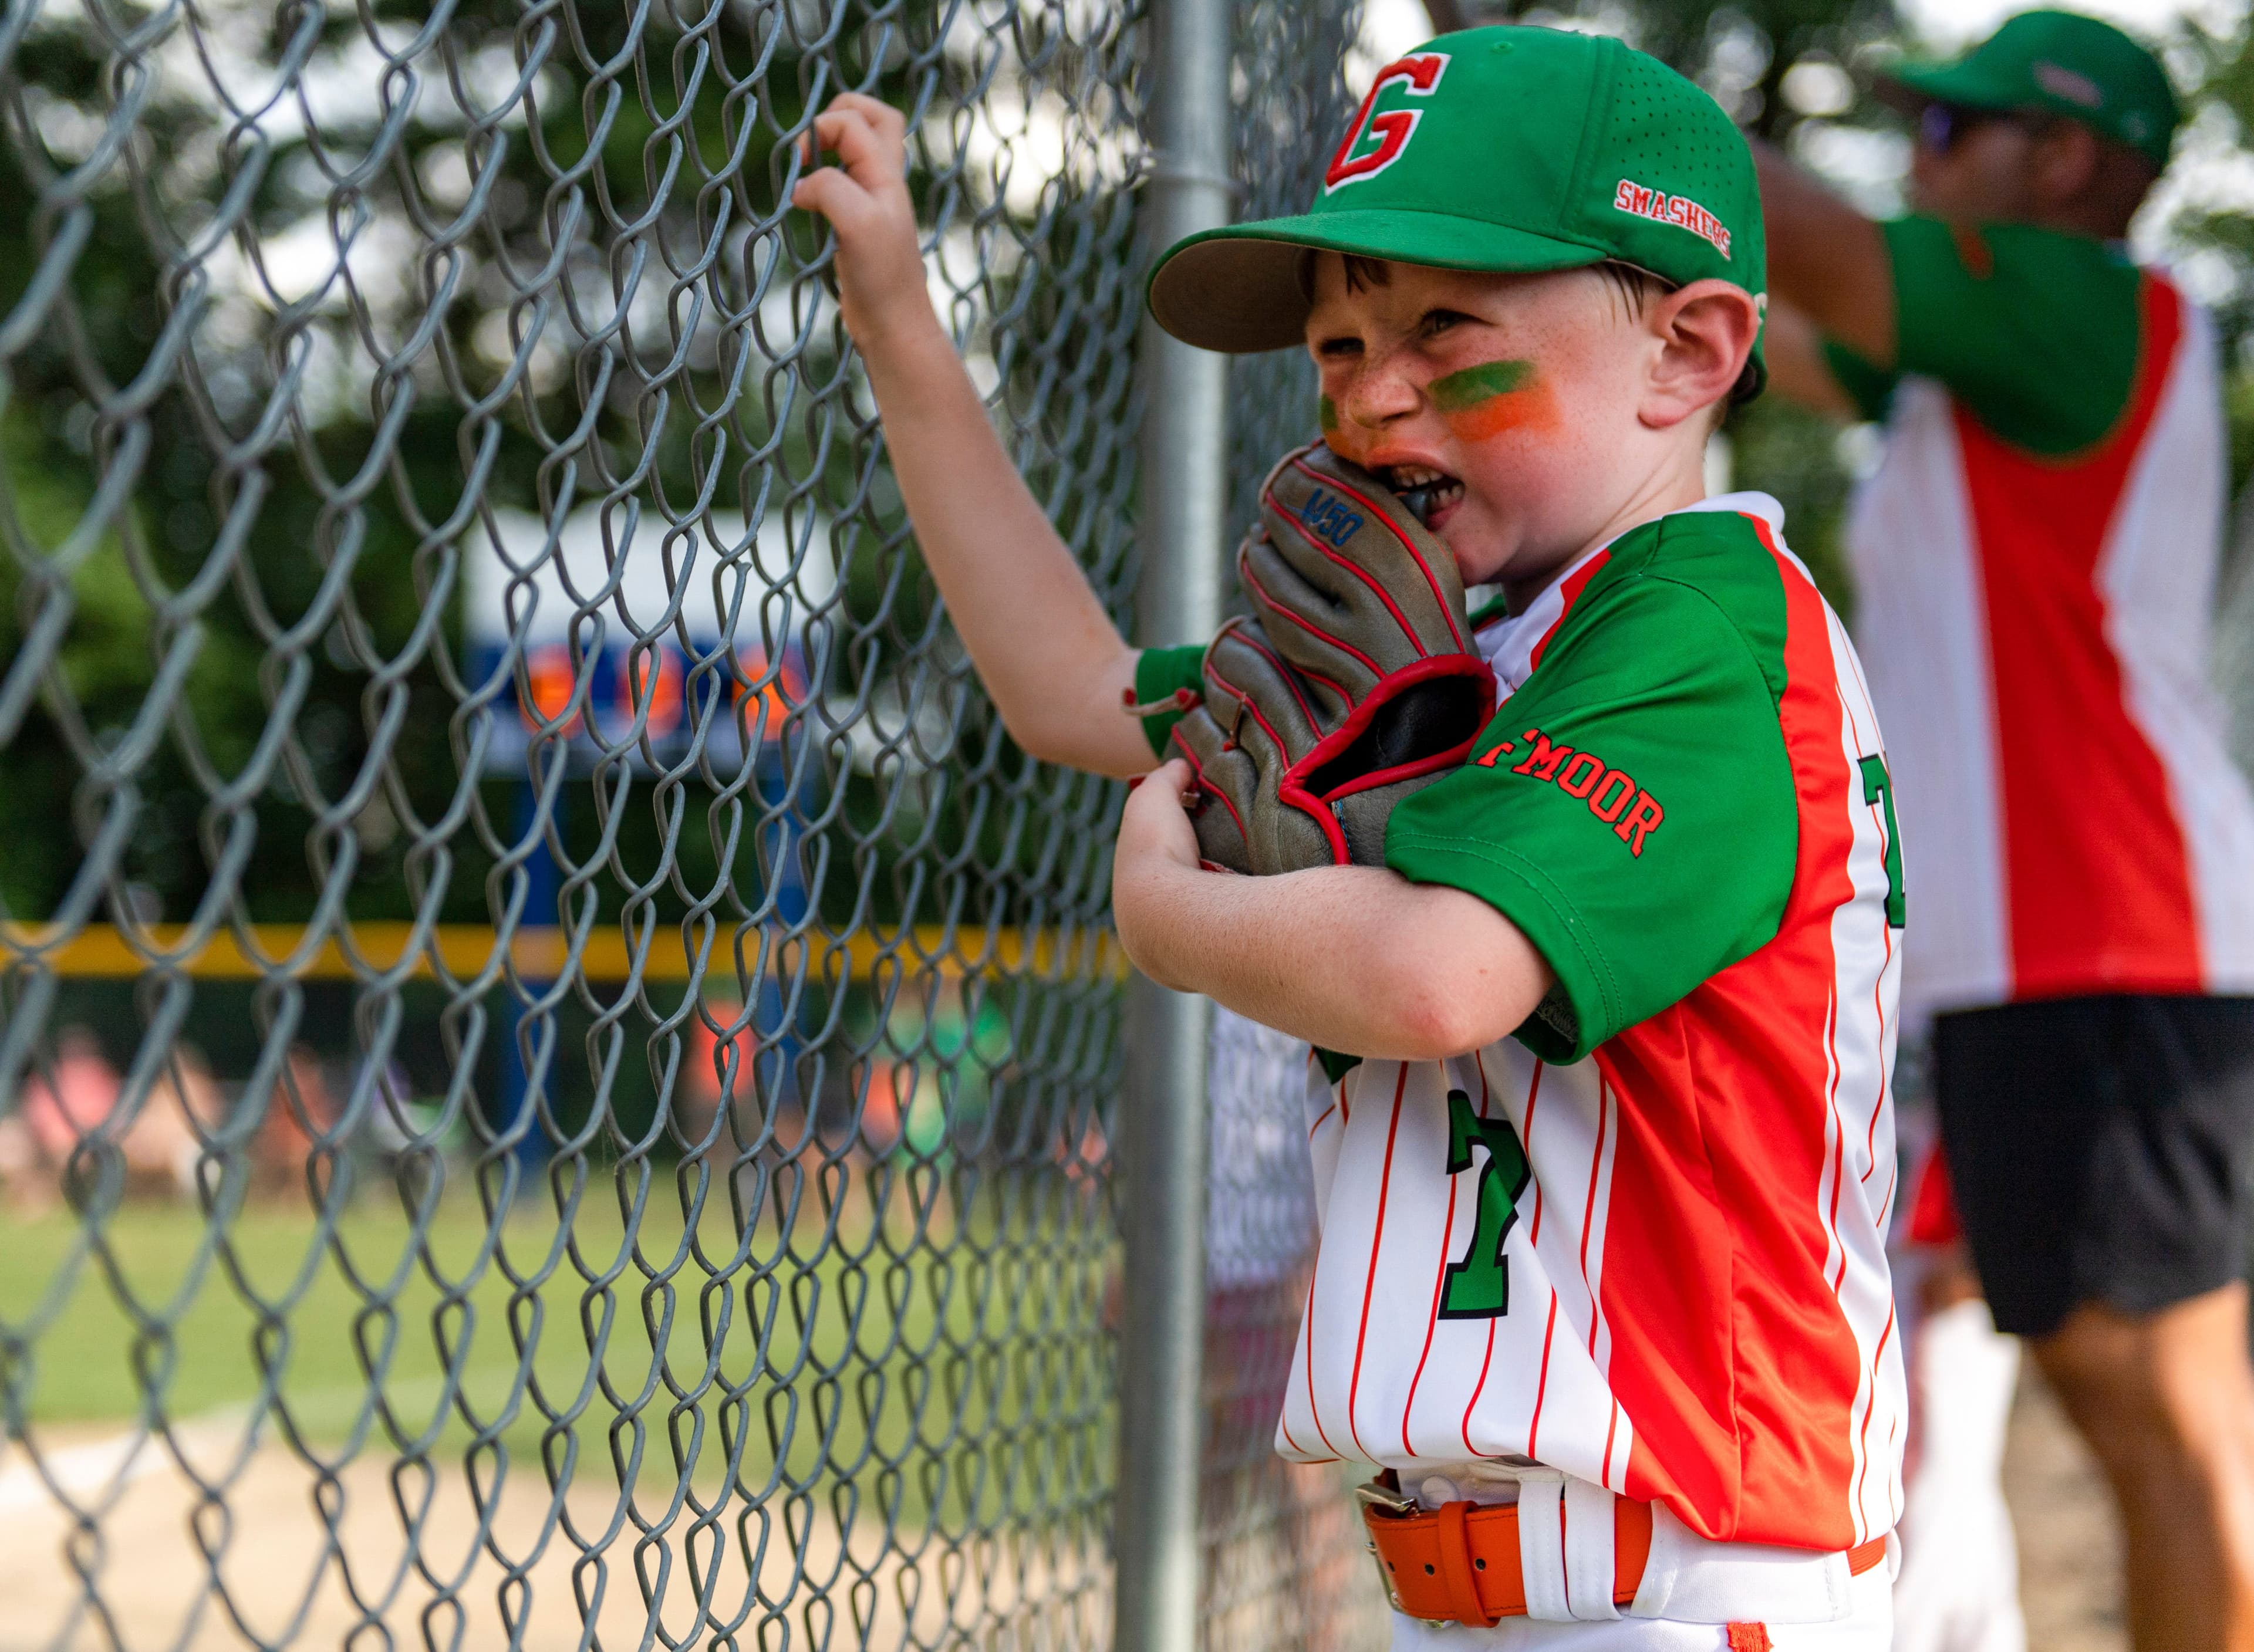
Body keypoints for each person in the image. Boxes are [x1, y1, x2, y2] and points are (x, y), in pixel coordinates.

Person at [796, 23, 1905, 1644]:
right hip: (1491, 1592)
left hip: (1686, 1585)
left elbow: (1436, 979)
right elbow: (1069, 686)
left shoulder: (1707, 636)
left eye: (1447, 330)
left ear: (1690, 351)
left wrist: (1169, 920)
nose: (1374, 398)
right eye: (1334, 346)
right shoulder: (1447, 659)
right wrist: (898, 315)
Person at [1750, 12, 2254, 1651]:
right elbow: (1774, 324)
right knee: (2144, 1415)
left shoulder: (2072, 301)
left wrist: (1574, 93)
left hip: (2107, 932)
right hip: (2068, 945)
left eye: (1953, 134)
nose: (1921, 162)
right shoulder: (1994, 355)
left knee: (2160, 1423)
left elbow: (1789, 239)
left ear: (2062, 164)